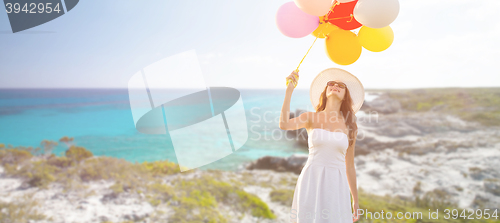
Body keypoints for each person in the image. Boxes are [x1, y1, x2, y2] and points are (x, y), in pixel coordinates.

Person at [280, 68, 364, 222]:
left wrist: (355, 200)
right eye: (331, 83)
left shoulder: (350, 125)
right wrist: (289, 90)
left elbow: (350, 166)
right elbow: (284, 124)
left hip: (337, 184)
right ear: (325, 91)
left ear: (346, 96)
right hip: (312, 179)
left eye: (341, 85)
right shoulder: (311, 117)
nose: (335, 86)